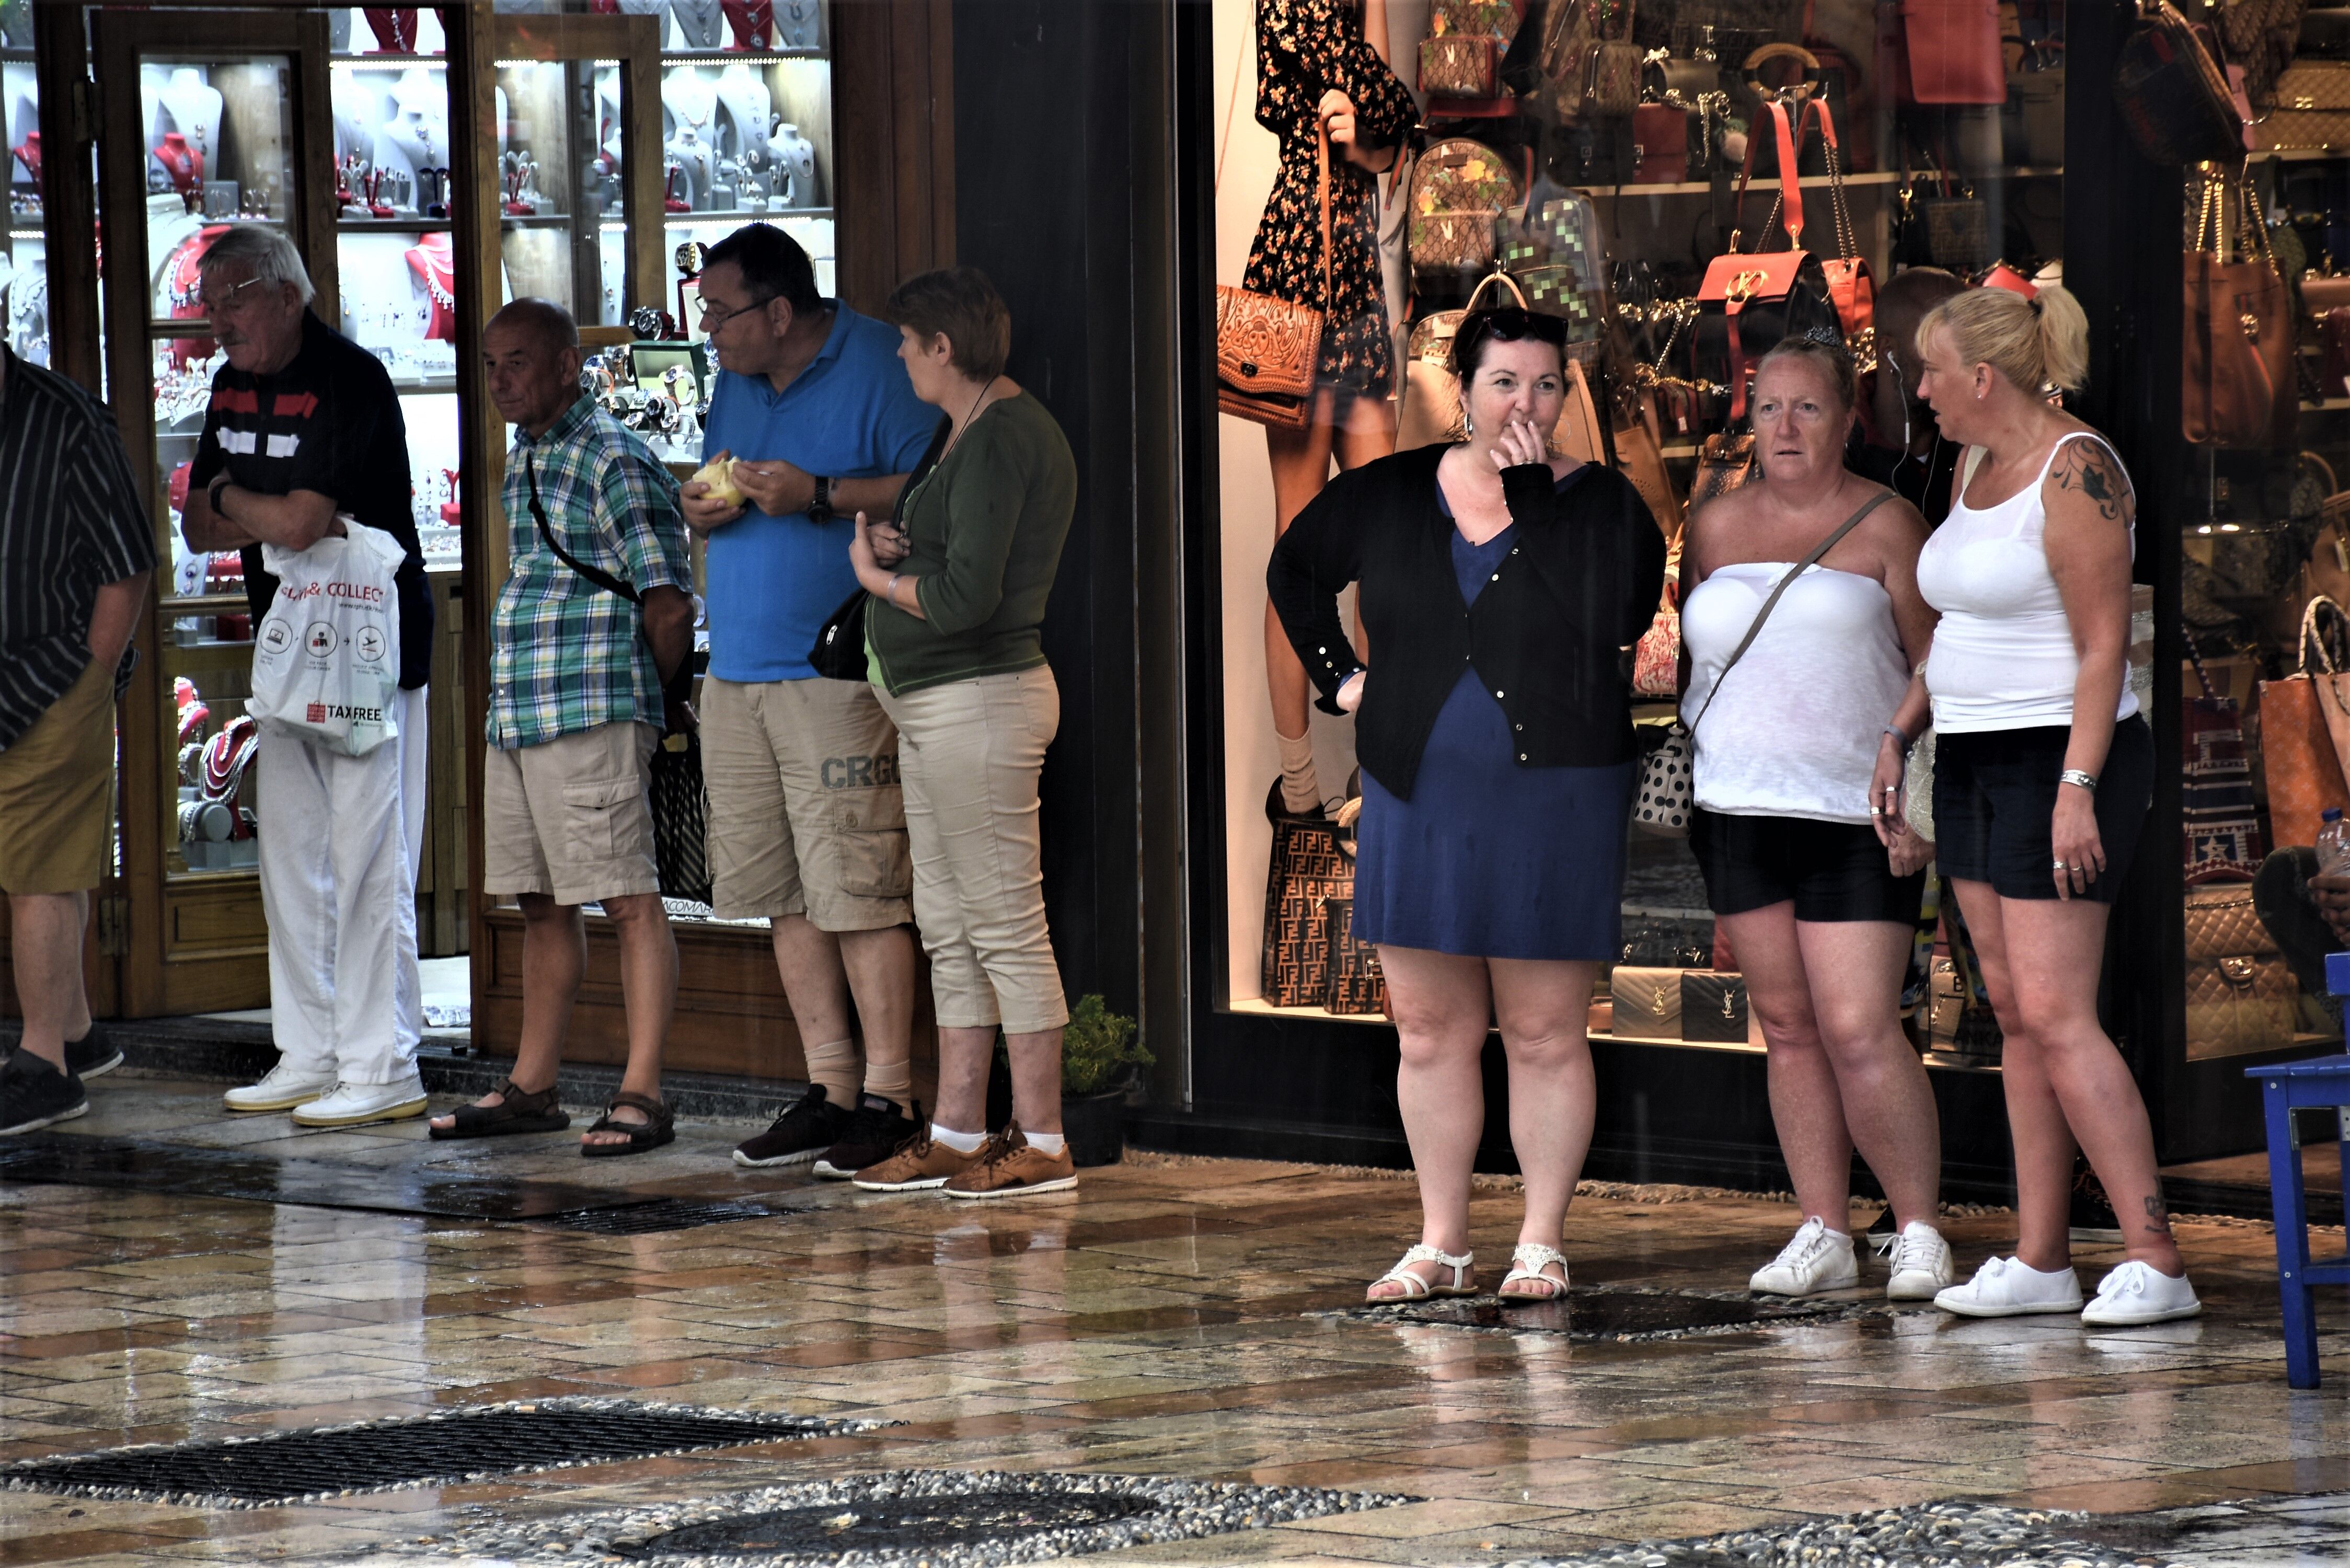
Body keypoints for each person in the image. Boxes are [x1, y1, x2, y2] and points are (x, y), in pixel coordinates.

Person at [1268, 307, 1667, 1300]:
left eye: (1546, 384)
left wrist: (1533, 498)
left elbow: (1619, 615)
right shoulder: (1394, 489)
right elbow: (1294, 570)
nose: (1526, 403)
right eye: (1504, 383)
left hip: (1557, 799)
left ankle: (1540, 1240)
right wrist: (1340, 679)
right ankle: (1442, 1242)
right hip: (1417, 791)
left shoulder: (1600, 502)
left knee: (1543, 1031)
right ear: (1462, 390)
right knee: (1429, 1029)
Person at [1883, 284, 2197, 1325]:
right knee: (2015, 1013)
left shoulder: (2078, 468)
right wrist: (1901, 730)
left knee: (2060, 1015)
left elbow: (2104, 647)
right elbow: (1958, 624)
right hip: (1971, 753)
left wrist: (2076, 787)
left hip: (2057, 755)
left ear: (1982, 377)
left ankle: (2155, 1256)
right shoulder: (1972, 461)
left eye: (1931, 372)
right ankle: (2040, 1256)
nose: (1920, 391)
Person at [1679, 336, 1953, 1300]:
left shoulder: (1891, 526)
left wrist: (1910, 775)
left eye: (1807, 408)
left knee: (1860, 1027)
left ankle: (1919, 1229)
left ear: (1847, 421)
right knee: (1788, 1028)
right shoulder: (1713, 526)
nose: (1785, 427)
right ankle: (1823, 1227)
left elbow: (1937, 665)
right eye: (1768, 408)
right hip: (1737, 804)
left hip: (1855, 814)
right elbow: (1700, 665)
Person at [677, 223, 937, 1176]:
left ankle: (892, 1098)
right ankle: (830, 1088)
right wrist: (700, 505)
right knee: (779, 895)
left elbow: (934, 489)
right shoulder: (735, 378)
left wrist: (821, 493)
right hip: (735, 672)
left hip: (833, 676)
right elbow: (719, 481)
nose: (708, 330)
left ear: (779, 311)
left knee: (859, 892)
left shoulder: (880, 362)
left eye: (720, 313)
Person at [178, 225, 434, 1129]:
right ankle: (311, 1049)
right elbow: (198, 526)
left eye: (233, 300)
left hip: (370, 650)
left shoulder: (348, 377)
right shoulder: (228, 385)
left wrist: (234, 502)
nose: (218, 321)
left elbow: (295, 522)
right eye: (209, 304)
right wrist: (246, 508)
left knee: (370, 859)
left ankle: (383, 1062)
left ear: (287, 295)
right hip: (287, 647)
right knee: (290, 857)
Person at [427, 301, 694, 1155]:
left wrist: (655, 698)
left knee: (628, 897)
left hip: (593, 703)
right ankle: (533, 1086)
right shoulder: (526, 455)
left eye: (517, 361)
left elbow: (667, 602)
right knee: (540, 901)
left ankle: (643, 1091)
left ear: (569, 365)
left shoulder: (616, 456)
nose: (500, 379)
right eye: (490, 363)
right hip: (521, 709)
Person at [843, 266, 1080, 1200]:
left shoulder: (1000, 435)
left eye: (908, 344)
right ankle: (956, 1128)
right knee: (950, 926)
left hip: (978, 702)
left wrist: (876, 579)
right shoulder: (972, 426)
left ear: (943, 347)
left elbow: (968, 598)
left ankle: (1044, 1139)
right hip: (943, 704)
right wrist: (903, 548)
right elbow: (960, 559)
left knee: (1004, 927)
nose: (901, 358)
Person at [1247, 0, 1416, 816]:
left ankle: (1377, 771)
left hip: (1356, 284)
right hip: (1299, 273)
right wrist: (1376, 121)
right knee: (1299, 538)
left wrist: (1373, 130)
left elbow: (1380, 131)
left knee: (1388, 545)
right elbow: (1381, 105)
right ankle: (1299, 787)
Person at [0, 339, 152, 1134]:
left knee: (39, 870)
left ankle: (44, 1068)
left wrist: (92, 679)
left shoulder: (66, 420)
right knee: (46, 865)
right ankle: (74, 1032)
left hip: (53, 673)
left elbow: (127, 564)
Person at [1848, 267, 1967, 525]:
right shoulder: (1840, 444)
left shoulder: (1977, 441)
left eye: (1966, 341)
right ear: (1888, 352)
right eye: (1937, 342)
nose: (1962, 358)